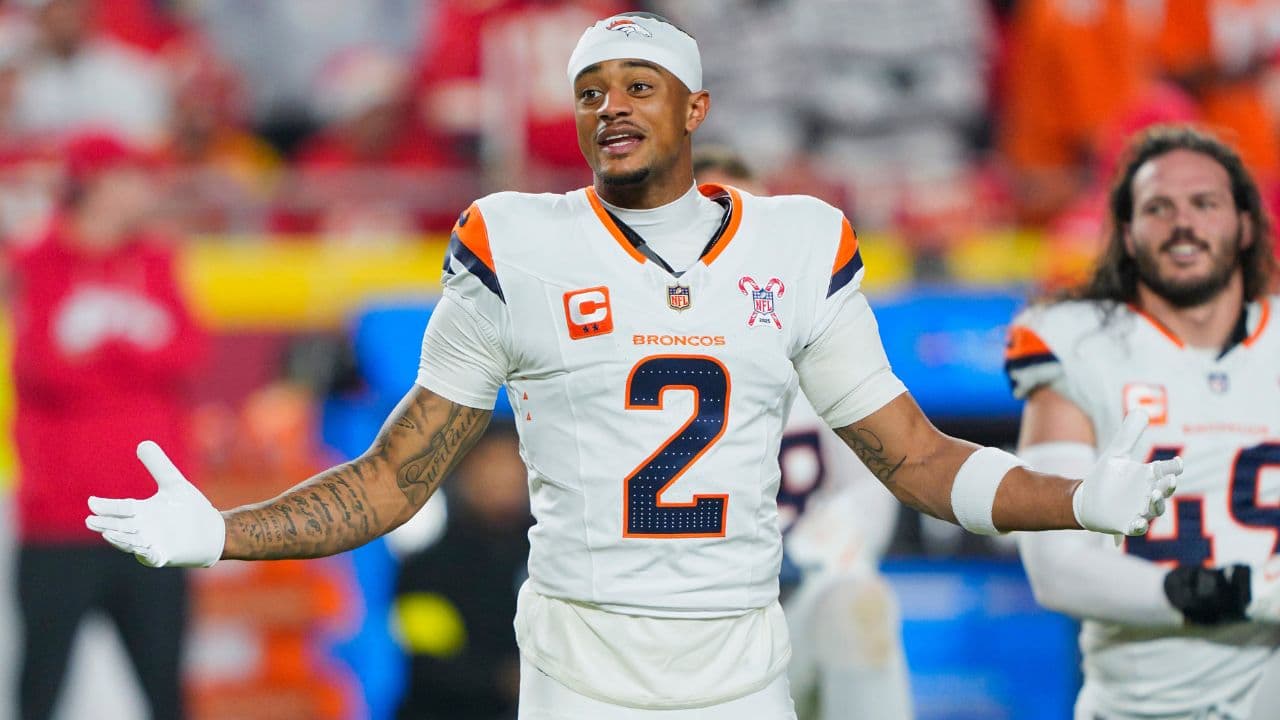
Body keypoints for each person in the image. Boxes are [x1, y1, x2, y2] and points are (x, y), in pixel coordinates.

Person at [86, 13, 1181, 719]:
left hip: (739, 666)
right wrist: (223, 534)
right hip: (580, 668)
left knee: (858, 628)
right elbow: (393, 476)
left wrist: (1078, 497)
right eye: (590, 88)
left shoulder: (795, 245)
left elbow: (921, 462)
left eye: (638, 84)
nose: (609, 104)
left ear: (695, 108)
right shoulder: (514, 244)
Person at [1006, 124, 1280, 719]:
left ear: (1246, 226)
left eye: (1205, 204)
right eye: (1159, 207)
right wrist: (1217, 592)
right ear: (1127, 234)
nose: (1184, 223)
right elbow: (1058, 570)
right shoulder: (1078, 343)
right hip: (1144, 697)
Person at [694, 146, 913, 719]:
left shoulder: (816, 335)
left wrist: (823, 552)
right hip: (678, 623)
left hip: (794, 600)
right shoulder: (633, 340)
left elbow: (870, 483)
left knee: (857, 603)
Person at [7, 131, 206, 720]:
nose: (146, 189)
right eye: (130, 176)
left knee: (166, 690)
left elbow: (188, 351)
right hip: (60, 518)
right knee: (41, 688)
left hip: (154, 517)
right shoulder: (37, 259)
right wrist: (134, 353)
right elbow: (43, 369)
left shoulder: (157, 258)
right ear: (92, 183)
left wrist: (106, 350)